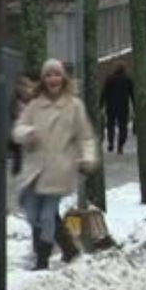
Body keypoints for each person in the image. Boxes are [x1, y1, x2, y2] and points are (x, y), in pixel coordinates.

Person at [13, 59, 97, 270]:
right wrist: (27, 134)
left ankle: (42, 260)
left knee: (47, 214)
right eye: (49, 75)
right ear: (44, 79)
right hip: (35, 168)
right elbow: (18, 128)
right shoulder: (35, 105)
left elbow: (85, 136)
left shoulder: (74, 106)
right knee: (32, 213)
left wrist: (88, 158)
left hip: (60, 168)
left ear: (63, 79)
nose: (53, 79)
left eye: (57, 75)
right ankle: (67, 248)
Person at [100, 64, 134, 154]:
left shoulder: (109, 79)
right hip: (123, 107)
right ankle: (120, 146)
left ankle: (111, 142)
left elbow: (103, 93)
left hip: (111, 107)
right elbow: (132, 94)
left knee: (110, 126)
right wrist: (135, 105)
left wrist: (101, 104)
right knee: (123, 127)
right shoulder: (127, 80)